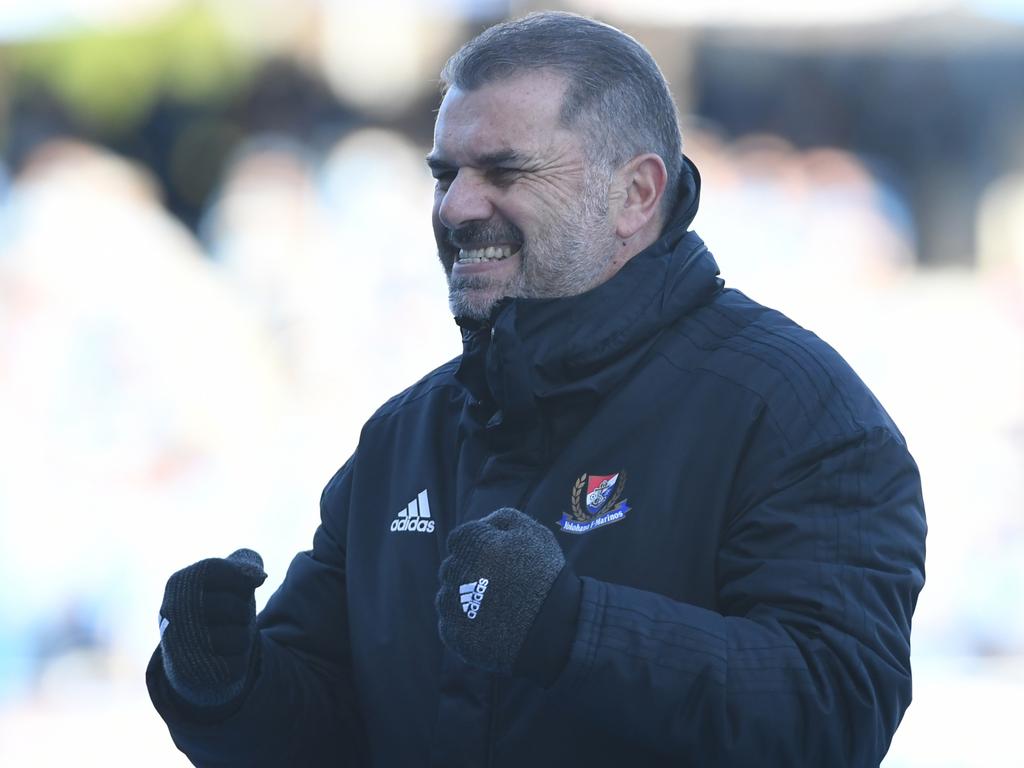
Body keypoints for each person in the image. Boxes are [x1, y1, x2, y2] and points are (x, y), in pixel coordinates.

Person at [147, 12, 927, 767]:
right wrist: (225, 685)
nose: (455, 208)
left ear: (637, 195)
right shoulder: (407, 432)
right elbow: (331, 728)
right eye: (445, 174)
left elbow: (838, 710)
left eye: (504, 170)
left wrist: (575, 630)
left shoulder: (790, 408)